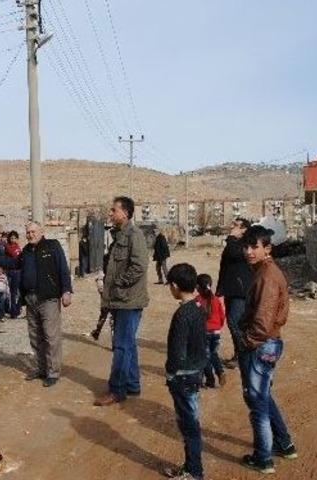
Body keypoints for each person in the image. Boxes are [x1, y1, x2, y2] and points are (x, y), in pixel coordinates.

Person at [237, 225, 297, 474]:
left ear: (267, 248)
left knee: (257, 402)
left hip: (261, 344)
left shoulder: (267, 277)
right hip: (266, 343)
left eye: (254, 247)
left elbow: (262, 322)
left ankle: (263, 458)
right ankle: (284, 444)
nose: (249, 251)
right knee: (263, 397)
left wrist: (247, 343)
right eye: (246, 246)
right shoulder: (263, 271)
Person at [0, 222, 73, 387]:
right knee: (35, 336)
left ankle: (53, 372)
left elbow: (63, 268)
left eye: (33, 231)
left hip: (48, 299)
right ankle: (41, 369)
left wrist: (67, 291)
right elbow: (12, 263)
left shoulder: (52, 246)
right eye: (28, 232)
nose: (30, 235)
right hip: (30, 299)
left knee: (50, 336)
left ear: (41, 232)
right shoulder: (26, 251)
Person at [95, 196, 149, 406]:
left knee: (121, 346)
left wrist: (118, 283)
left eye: (114, 210)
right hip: (119, 300)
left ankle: (117, 389)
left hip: (128, 300)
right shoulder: (118, 235)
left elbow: (139, 266)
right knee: (128, 344)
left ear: (125, 213)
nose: (110, 213)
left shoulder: (134, 235)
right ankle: (133, 384)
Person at [162, 263, 208, 480]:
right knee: (191, 422)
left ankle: (194, 472)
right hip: (195, 372)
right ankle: (191, 467)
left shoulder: (182, 314)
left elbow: (177, 352)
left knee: (189, 426)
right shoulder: (199, 307)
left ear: (175, 286)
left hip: (183, 376)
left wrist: (170, 373)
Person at [216, 217, 252, 369]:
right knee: (234, 323)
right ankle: (239, 354)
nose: (232, 227)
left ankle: (245, 354)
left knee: (234, 321)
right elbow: (225, 267)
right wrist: (220, 289)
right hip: (231, 289)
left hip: (241, 290)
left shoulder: (246, 244)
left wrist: (231, 238)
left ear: (244, 229)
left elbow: (234, 254)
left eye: (236, 225)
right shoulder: (233, 243)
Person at [196, 273, 226, 388]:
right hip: (216, 332)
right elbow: (222, 316)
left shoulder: (197, 301)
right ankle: (220, 371)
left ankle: (210, 379)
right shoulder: (216, 299)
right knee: (213, 354)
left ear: (197, 287)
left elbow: (195, 319)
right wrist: (218, 327)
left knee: (206, 357)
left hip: (204, 333)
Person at [5, 230, 23, 318]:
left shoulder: (18, 247)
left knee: (18, 292)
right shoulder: (8, 247)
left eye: (15, 238)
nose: (13, 240)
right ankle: (13, 311)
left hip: (18, 271)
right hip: (11, 271)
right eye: (11, 238)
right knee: (12, 292)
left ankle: (17, 309)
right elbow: (14, 255)